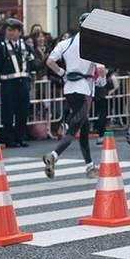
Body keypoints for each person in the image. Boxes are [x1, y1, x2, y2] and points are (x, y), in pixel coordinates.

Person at [43, 12, 103, 179]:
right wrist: (102, 81)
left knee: (83, 128)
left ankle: (90, 166)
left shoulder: (66, 42)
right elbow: (101, 69)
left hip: (70, 88)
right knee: (75, 128)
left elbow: (49, 61)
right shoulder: (93, 45)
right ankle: (53, 155)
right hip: (84, 89)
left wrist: (63, 73)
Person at [0, 18, 34, 148]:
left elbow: (31, 62)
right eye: (8, 30)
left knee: (22, 111)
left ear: (19, 32)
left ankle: (20, 137)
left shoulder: (25, 45)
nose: (10, 33)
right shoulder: (1, 46)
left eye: (13, 30)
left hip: (23, 82)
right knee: (8, 112)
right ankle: (9, 138)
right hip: (8, 83)